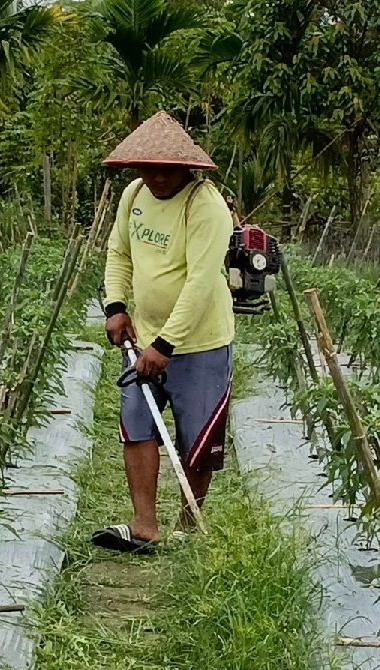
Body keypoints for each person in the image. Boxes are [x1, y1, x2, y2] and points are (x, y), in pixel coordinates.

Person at [92, 111, 234, 555]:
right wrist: (116, 306)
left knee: (198, 439)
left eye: (166, 169)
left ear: (186, 167)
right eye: (148, 168)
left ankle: (188, 524)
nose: (156, 177)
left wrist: (165, 345)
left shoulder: (206, 206)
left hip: (200, 343)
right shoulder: (134, 195)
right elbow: (119, 252)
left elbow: (201, 283)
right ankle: (144, 525)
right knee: (136, 425)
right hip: (143, 341)